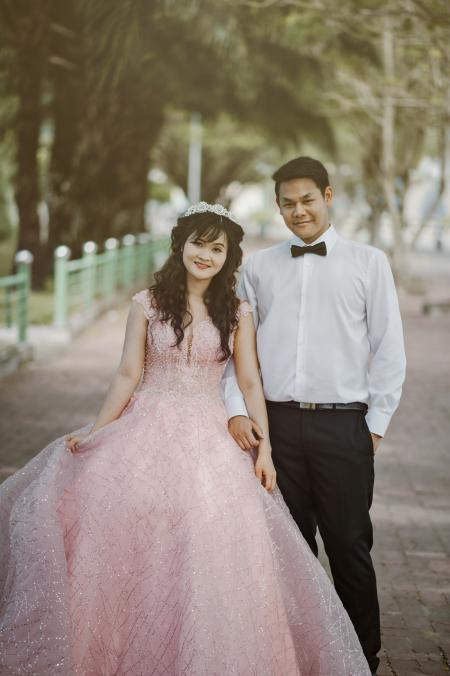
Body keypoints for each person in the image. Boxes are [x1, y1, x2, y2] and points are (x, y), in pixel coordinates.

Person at [0, 202, 370, 676]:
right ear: (181, 245)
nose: (206, 255)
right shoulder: (148, 303)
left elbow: (251, 381)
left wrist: (266, 448)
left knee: (209, 535)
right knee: (127, 527)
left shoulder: (237, 312)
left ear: (228, 258)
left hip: (209, 433)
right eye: (199, 243)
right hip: (144, 424)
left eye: (217, 248)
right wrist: (98, 430)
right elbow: (128, 373)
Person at [224, 157, 407, 676]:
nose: (297, 211)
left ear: (328, 196)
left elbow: (389, 350)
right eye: (287, 203)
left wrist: (373, 428)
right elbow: (236, 353)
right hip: (275, 427)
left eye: (307, 199)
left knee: (349, 545)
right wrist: (239, 411)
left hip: (343, 425)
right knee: (289, 549)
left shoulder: (370, 262)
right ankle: (297, 658)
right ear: (278, 207)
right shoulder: (257, 268)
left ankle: (361, 659)